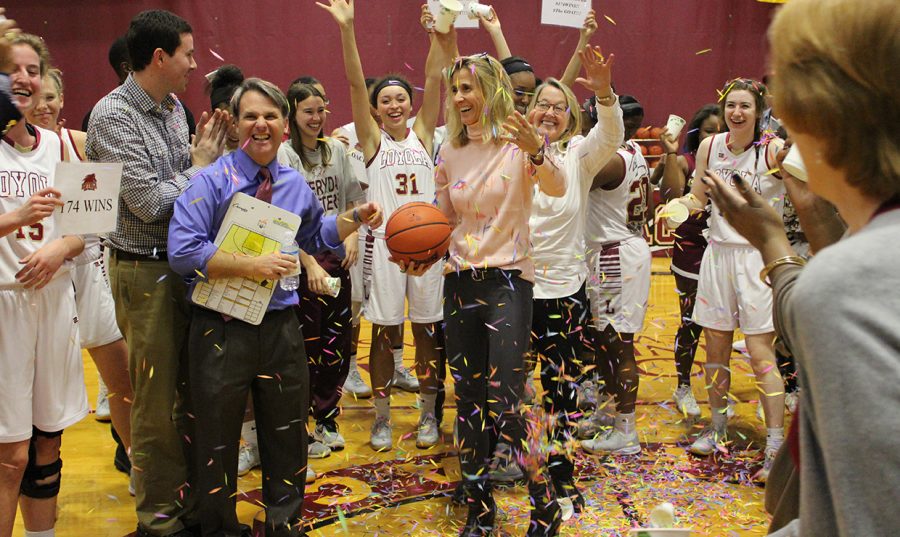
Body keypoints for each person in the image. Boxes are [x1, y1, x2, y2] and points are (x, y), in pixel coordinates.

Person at [703, 0, 899, 534]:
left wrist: (770, 242)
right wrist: (777, 236)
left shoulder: (846, 285)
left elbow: (865, 515)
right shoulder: (860, 253)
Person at [169, 76, 383, 537]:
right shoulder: (210, 181)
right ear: (235, 124)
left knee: (287, 434)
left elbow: (314, 237)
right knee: (215, 439)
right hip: (219, 328)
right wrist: (252, 263)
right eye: (251, 116)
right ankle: (219, 528)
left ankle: (283, 524)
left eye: (270, 116)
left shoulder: (292, 184)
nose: (261, 125)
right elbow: (183, 252)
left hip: (281, 324)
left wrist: (354, 218)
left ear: (285, 125)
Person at [85, 10, 230, 537]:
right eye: (189, 54)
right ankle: (158, 520)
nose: (196, 64)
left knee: (188, 395)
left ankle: (191, 506)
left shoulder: (173, 109)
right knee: (153, 402)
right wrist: (201, 167)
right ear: (160, 57)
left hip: (184, 267)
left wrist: (204, 169)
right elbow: (148, 203)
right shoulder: (112, 115)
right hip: (144, 273)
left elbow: (187, 195)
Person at [432, 51, 566, 536]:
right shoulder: (449, 149)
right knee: (467, 401)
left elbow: (557, 184)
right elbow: (443, 217)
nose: (461, 98)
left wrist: (537, 151)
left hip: (508, 281)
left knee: (509, 403)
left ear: (491, 89)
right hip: (458, 281)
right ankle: (480, 509)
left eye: (469, 87)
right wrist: (415, 249)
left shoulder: (519, 142)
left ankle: (543, 500)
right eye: (456, 90)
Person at [319, 0, 452, 451]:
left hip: (430, 247)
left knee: (428, 330)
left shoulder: (426, 135)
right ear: (375, 110)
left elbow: (435, 76)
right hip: (388, 246)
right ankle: (381, 420)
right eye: (385, 99)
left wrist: (438, 32)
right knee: (383, 331)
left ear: (409, 103)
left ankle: (429, 415)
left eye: (400, 97)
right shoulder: (372, 141)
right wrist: (347, 29)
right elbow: (356, 82)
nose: (393, 104)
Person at [670, 78, 785, 482]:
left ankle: (774, 444)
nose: (737, 113)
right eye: (732, 105)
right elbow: (698, 197)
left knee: (760, 354)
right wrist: (676, 207)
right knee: (715, 346)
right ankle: (717, 425)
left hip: (756, 258)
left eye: (746, 107)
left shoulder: (772, 150)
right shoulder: (709, 147)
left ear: (758, 111)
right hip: (716, 254)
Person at [25, 66, 136, 485]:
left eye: (50, 96)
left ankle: (135, 464)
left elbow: (115, 203)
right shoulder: (11, 153)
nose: (43, 105)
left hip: (88, 273)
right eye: (35, 97)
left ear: (63, 101)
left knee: (123, 383)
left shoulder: (82, 145)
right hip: (36, 280)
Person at [0, 32, 88, 537]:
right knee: (10, 454)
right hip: (5, 304)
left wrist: (62, 246)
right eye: (12, 68)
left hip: (53, 303)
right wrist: (14, 219)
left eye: (32, 69)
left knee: (47, 442)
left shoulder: (59, 144)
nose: (23, 77)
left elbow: (89, 226)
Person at [527, 47, 622, 512]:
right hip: (511, 287)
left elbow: (612, 133)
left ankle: (560, 471)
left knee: (560, 390)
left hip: (562, 293)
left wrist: (604, 93)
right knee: (509, 389)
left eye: (559, 106)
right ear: (527, 111)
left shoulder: (579, 157)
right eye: (541, 103)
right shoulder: (510, 154)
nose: (548, 111)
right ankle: (517, 463)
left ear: (570, 118)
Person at [285, 82, 365, 458]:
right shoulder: (284, 156)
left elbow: (353, 199)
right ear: (292, 113)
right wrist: (309, 261)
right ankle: (299, 420)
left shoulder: (337, 151)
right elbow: (284, 220)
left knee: (336, 343)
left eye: (320, 110)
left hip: (337, 257)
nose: (315, 118)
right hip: (302, 262)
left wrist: (351, 237)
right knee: (306, 345)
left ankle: (328, 417)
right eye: (307, 111)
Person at [577, 95, 654, 455]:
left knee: (618, 346)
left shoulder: (609, 163)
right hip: (621, 249)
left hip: (614, 255)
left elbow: (568, 180)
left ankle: (627, 431)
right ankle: (609, 415)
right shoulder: (635, 150)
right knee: (606, 344)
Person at [654, 104, 723, 419]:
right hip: (692, 249)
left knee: (722, 325)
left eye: (720, 130)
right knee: (692, 321)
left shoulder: (735, 161)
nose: (717, 135)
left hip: (725, 249)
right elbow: (669, 196)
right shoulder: (687, 161)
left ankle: (719, 392)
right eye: (710, 129)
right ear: (697, 133)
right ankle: (683, 386)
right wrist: (670, 154)